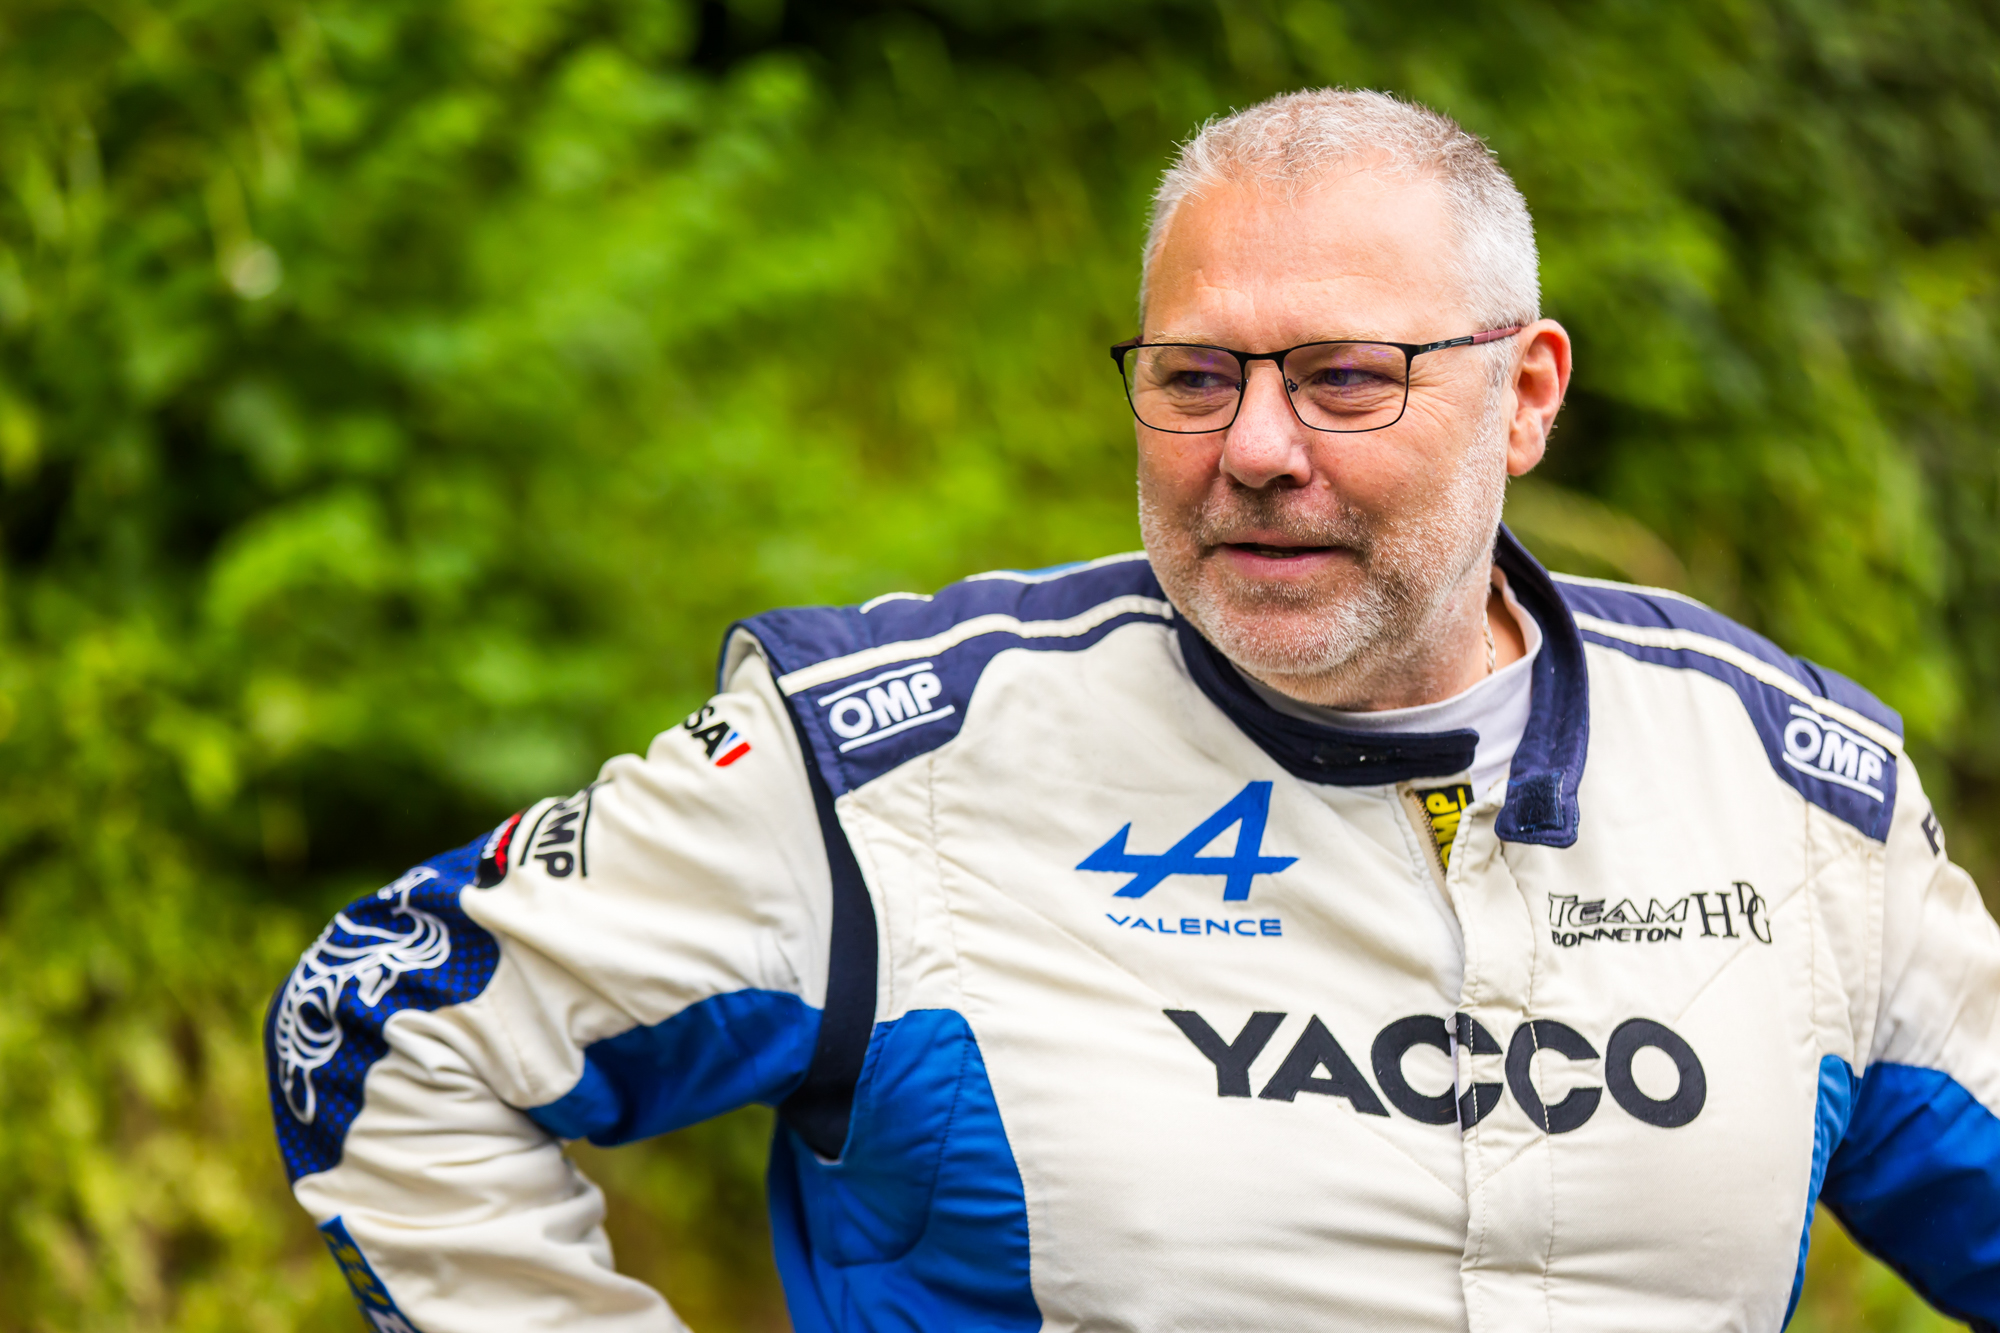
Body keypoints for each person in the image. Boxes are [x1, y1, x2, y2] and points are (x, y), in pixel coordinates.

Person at [265, 89, 2000, 1333]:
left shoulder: (1795, 799)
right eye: (1196, 376)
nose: (1256, 448)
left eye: (1344, 376)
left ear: (1525, 394)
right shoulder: (888, 765)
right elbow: (387, 1028)